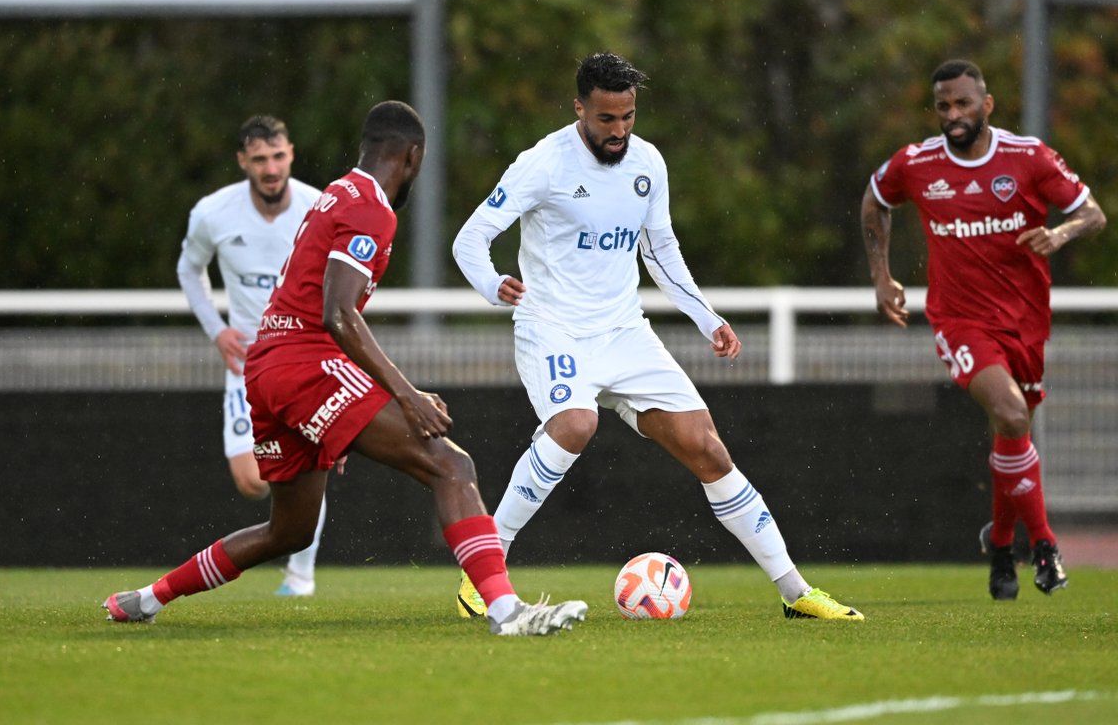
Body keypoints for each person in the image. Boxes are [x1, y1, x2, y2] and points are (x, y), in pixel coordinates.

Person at [106, 101, 589, 637]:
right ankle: (506, 612)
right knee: (452, 467)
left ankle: (148, 599)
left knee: (287, 531)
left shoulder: (338, 192)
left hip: (269, 366)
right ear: (412, 157)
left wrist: (353, 409)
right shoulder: (371, 210)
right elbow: (336, 314)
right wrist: (405, 395)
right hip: (303, 363)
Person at [452, 52, 863, 622]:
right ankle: (487, 569)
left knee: (707, 448)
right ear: (579, 109)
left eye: (627, 118)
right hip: (554, 329)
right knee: (575, 424)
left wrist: (707, 317)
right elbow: (469, 240)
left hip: (625, 332)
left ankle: (797, 593)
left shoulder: (648, 162)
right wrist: (493, 284)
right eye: (605, 120)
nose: (618, 132)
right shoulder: (542, 164)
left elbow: (660, 251)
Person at [860, 59, 1106, 601]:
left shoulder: (1028, 157)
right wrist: (882, 278)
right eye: (944, 106)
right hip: (960, 319)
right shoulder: (918, 163)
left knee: (1011, 432)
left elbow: (1093, 214)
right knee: (1013, 414)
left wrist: (1059, 235)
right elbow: (875, 199)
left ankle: (998, 544)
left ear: (986, 105)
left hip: (1025, 321)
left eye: (963, 104)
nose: (953, 115)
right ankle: (1044, 545)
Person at [176, 114, 326, 597]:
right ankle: (297, 531)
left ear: (291, 155)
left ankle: (300, 576)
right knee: (252, 481)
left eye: (278, 156)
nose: (270, 167)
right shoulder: (213, 213)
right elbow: (189, 270)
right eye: (259, 159)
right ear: (243, 161)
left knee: (303, 465)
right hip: (248, 365)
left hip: (301, 358)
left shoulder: (317, 207)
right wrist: (218, 332)